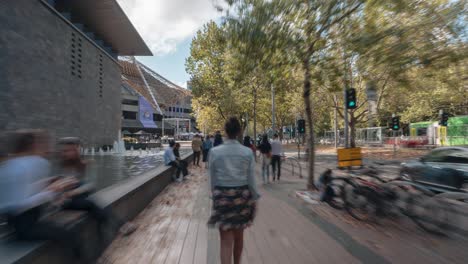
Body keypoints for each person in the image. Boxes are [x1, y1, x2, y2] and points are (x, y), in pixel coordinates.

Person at [0, 130, 83, 260]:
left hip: (25, 222)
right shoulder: (20, 167)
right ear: (32, 146)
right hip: (23, 227)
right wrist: (52, 191)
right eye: (41, 144)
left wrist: (48, 184)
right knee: (68, 234)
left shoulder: (18, 164)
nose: (46, 149)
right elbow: (18, 205)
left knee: (68, 231)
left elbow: (24, 191)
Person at [208, 117, 260, 264]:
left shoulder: (214, 152)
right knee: (239, 237)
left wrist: (215, 198)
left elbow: (212, 180)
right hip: (241, 198)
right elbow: (251, 179)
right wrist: (255, 199)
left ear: (225, 131)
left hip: (222, 197)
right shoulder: (247, 152)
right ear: (239, 132)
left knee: (225, 241)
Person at [57, 137, 122, 240]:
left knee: (94, 205)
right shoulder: (60, 165)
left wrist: (72, 191)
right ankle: (120, 226)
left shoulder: (86, 163)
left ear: (78, 150)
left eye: (71, 150)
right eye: (65, 151)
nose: (67, 153)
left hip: (78, 197)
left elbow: (90, 185)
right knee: (93, 203)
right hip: (66, 202)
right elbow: (58, 189)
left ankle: (114, 230)